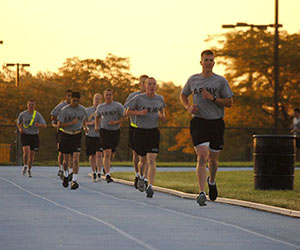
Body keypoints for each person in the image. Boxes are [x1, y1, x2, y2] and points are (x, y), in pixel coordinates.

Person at [180, 49, 233, 206]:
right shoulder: (193, 79)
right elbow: (183, 95)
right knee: (202, 156)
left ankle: (212, 181)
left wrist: (213, 98)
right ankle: (201, 192)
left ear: (213, 63)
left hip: (216, 122)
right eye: (206, 60)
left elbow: (230, 103)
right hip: (199, 122)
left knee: (213, 161)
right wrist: (188, 107)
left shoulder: (220, 81)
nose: (208, 62)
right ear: (201, 62)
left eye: (211, 60)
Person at [126, 77, 167, 198]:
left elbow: (162, 110)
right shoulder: (138, 98)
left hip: (153, 131)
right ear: (145, 85)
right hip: (140, 132)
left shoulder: (160, 98)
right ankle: (141, 177)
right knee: (142, 161)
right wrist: (139, 113)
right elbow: (127, 112)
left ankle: (150, 186)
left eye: (154, 84)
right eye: (149, 84)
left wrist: (162, 116)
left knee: (151, 160)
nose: (152, 86)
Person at [57, 91, 88, 190]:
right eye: (74, 100)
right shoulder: (65, 110)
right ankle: (66, 175)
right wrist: (71, 123)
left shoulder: (83, 110)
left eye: (77, 101)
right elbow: (59, 125)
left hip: (77, 135)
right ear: (71, 99)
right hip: (66, 134)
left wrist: (85, 127)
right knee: (66, 160)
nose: (75, 103)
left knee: (75, 159)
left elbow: (83, 120)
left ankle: (74, 180)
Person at [95, 89, 126, 183]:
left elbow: (125, 118)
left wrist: (116, 122)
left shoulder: (118, 106)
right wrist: (97, 126)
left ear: (112, 96)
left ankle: (106, 166)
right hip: (104, 131)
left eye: (110, 95)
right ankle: (108, 174)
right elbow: (97, 116)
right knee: (107, 153)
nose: (108, 96)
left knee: (112, 153)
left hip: (115, 131)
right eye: (106, 95)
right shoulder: (101, 107)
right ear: (104, 96)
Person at [124, 74, 149, 189]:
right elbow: (126, 112)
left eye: (147, 82)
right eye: (143, 82)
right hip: (135, 127)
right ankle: (137, 174)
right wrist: (138, 113)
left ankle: (145, 178)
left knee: (147, 155)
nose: (145, 85)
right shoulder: (133, 96)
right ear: (140, 84)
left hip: (148, 128)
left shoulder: (152, 97)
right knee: (136, 154)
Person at [17, 99, 47, 177]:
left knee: (32, 154)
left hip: (34, 135)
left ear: (35, 106)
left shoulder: (37, 115)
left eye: (32, 105)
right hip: (25, 134)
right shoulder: (23, 114)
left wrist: (38, 125)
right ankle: (25, 165)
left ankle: (29, 169)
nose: (31, 106)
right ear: (27, 105)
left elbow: (44, 125)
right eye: (30, 104)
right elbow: (19, 123)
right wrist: (20, 129)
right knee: (26, 150)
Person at [50, 89, 72, 178]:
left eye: (71, 96)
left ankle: (68, 170)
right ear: (66, 96)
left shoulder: (75, 107)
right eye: (68, 96)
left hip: (71, 131)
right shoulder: (61, 106)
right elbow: (52, 116)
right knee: (61, 152)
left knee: (70, 153)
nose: (70, 98)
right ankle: (61, 168)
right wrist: (56, 124)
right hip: (61, 131)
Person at [85, 93, 104, 182]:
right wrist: (90, 124)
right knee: (92, 155)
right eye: (96, 99)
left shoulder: (103, 109)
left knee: (99, 154)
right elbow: (83, 122)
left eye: (99, 99)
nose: (97, 100)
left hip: (100, 135)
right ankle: (93, 172)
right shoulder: (88, 110)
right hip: (90, 135)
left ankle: (99, 171)